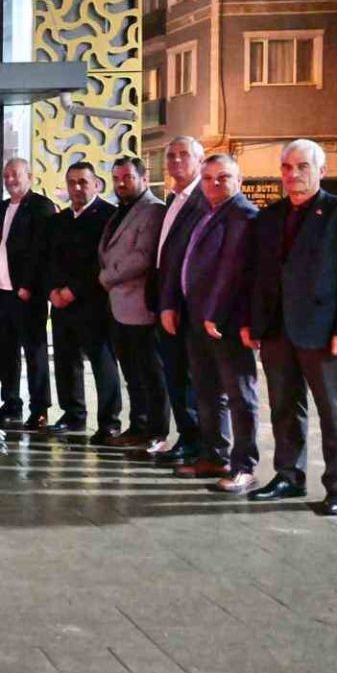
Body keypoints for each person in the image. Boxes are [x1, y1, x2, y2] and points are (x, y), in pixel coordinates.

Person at [244, 139, 337, 516]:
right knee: (284, 408)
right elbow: (259, 276)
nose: (293, 174)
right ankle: (288, 475)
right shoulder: (269, 217)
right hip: (276, 331)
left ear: (322, 171)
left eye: (302, 166)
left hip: (325, 332)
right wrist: (254, 323)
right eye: (287, 167)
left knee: (336, 414)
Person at [162, 156, 260, 491]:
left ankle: (244, 465)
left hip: (225, 322)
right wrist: (173, 304)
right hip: (197, 318)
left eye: (223, 177)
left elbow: (234, 270)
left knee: (239, 396)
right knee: (206, 392)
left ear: (239, 180)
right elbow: (183, 262)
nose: (214, 184)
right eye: (207, 178)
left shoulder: (243, 215)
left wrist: (215, 313)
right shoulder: (207, 212)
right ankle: (215, 456)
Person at [43, 163, 122, 438]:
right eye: (72, 182)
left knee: (102, 362)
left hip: (94, 302)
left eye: (83, 182)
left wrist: (74, 290)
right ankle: (73, 414)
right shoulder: (59, 220)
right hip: (60, 303)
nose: (77, 188)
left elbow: (104, 262)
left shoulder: (109, 216)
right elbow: (47, 259)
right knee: (66, 360)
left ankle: (110, 421)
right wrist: (52, 290)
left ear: (96, 184)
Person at [0, 159, 56, 428]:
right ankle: (11, 402)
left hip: (27, 295)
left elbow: (42, 251)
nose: (10, 179)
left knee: (34, 352)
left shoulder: (41, 206)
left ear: (30, 176)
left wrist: (29, 285)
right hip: (0, 293)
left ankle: (40, 408)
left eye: (15, 174)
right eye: (6, 175)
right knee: (5, 352)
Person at [97, 156, 169, 448]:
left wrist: (106, 277)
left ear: (143, 178)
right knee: (132, 374)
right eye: (116, 179)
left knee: (152, 374)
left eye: (127, 177)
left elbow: (142, 256)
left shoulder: (153, 210)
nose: (121, 184)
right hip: (118, 306)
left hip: (140, 306)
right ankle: (138, 426)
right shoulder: (121, 210)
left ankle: (157, 432)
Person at [150, 136, 209, 465]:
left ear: (200, 160)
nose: (175, 161)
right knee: (173, 375)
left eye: (183, 155)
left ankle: (197, 442)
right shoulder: (173, 199)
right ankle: (186, 437)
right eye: (171, 155)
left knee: (189, 379)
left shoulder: (204, 200)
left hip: (187, 305)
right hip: (165, 302)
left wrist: (173, 303)